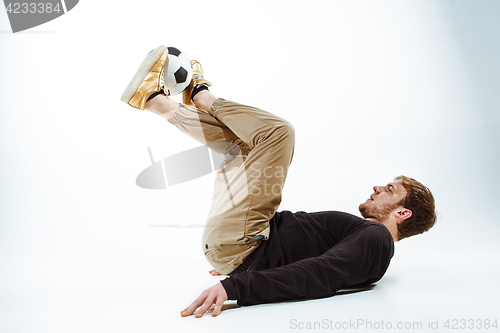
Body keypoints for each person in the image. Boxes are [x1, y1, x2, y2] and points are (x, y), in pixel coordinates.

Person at [121, 45, 437, 318]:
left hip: (246, 243)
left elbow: (320, 275)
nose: (378, 188)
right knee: (242, 146)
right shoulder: (368, 244)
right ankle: (159, 101)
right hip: (246, 246)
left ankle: (200, 95)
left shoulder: (376, 239)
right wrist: (253, 267)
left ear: (403, 213)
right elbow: (317, 262)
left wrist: (237, 284)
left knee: (278, 133)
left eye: (390, 191)